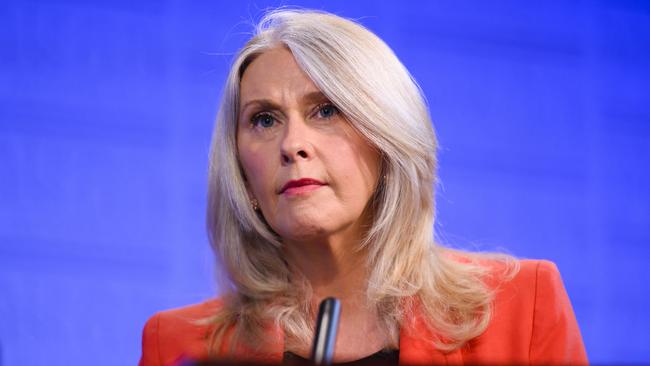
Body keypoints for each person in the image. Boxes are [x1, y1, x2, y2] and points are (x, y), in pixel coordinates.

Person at [139, 9, 588, 366]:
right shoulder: (177, 345)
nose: (293, 145)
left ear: (387, 140)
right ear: (240, 171)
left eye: (326, 110)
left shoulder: (522, 307)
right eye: (265, 119)